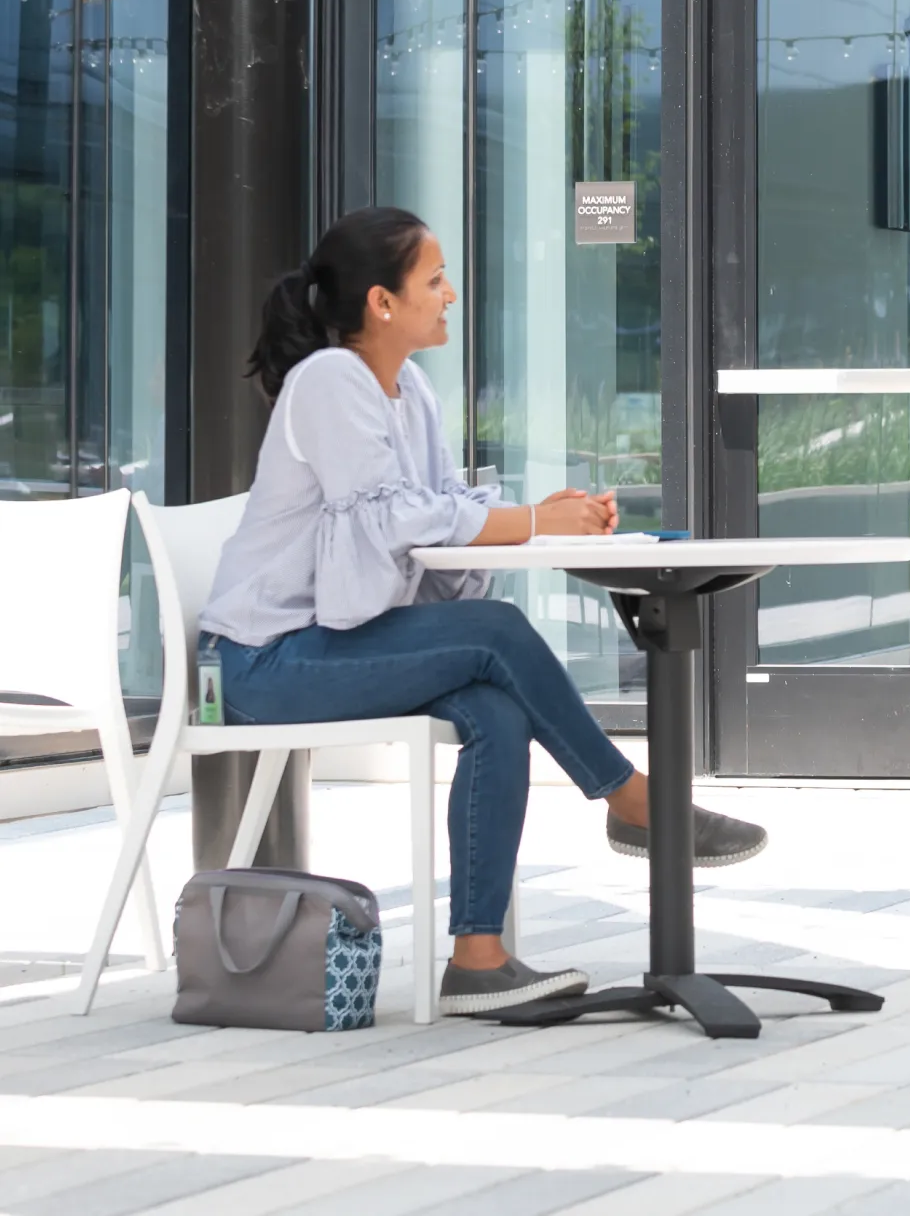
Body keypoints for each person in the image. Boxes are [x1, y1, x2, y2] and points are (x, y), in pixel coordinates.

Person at [197, 207, 767, 1016]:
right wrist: (535, 523)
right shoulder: (329, 380)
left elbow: (432, 516)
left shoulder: (410, 390)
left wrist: (547, 514)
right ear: (381, 303)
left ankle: (477, 959)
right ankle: (629, 799)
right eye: (433, 280)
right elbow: (397, 519)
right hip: (260, 663)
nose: (450, 294)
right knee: (498, 633)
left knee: (496, 710)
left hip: (329, 646)